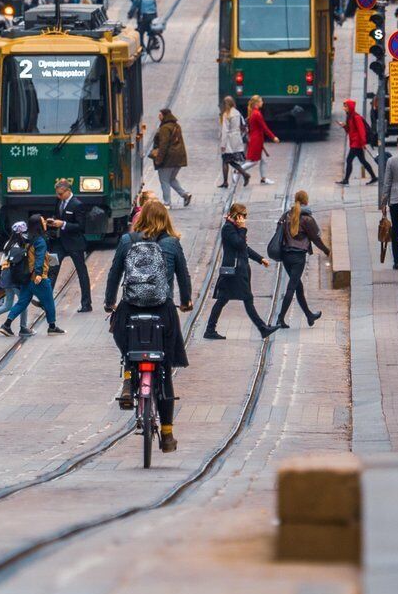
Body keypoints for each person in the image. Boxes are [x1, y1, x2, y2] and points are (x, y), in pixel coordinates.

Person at [103, 200, 192, 453]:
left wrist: (110, 302)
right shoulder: (172, 243)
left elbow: (114, 274)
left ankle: (129, 379)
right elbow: (183, 276)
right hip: (162, 311)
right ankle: (167, 434)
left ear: (140, 219)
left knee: (124, 341)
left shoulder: (127, 241)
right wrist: (186, 301)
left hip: (131, 309)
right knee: (163, 370)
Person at [205, 204, 275, 339]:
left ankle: (210, 330)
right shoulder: (228, 228)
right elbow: (240, 244)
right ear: (237, 215)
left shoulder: (234, 228)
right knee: (247, 298)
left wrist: (260, 259)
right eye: (243, 216)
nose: (244, 219)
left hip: (237, 270)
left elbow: (244, 248)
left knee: (223, 299)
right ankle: (262, 328)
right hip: (235, 271)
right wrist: (243, 228)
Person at [276, 191, 332, 328]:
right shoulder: (307, 219)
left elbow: (278, 232)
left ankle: (309, 315)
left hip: (286, 256)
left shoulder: (286, 215)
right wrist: (326, 250)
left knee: (298, 286)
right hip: (298, 258)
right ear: (306, 201)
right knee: (292, 287)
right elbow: (316, 238)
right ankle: (280, 318)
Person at [0, 215, 58, 337]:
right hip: (38, 278)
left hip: (26, 277)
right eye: (43, 221)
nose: (45, 223)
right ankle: (52, 327)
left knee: (22, 302)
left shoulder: (26, 239)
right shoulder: (40, 241)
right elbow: (39, 258)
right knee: (49, 302)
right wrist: (39, 274)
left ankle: (6, 325)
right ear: (39, 225)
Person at [47, 178, 92, 314]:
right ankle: (46, 300)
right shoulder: (58, 202)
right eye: (57, 194)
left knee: (81, 272)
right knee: (52, 269)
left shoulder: (77, 205)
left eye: (60, 194)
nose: (58, 196)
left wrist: (63, 224)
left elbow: (81, 226)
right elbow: (57, 215)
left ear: (67, 191)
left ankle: (86, 303)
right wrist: (52, 221)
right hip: (59, 243)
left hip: (75, 244)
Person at [149, 108, 192, 208]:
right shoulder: (176, 126)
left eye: (160, 114)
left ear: (164, 116)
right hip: (178, 158)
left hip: (168, 159)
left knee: (164, 180)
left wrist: (159, 159)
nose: (159, 116)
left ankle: (167, 203)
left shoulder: (165, 128)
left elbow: (163, 145)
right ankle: (185, 195)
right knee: (171, 179)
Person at [335, 99, 377, 184]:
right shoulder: (350, 117)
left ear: (350, 107)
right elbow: (349, 130)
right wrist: (344, 126)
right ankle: (373, 177)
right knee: (363, 161)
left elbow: (362, 131)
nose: (344, 108)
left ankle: (346, 180)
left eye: (346, 106)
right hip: (355, 143)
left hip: (357, 143)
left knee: (349, 160)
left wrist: (363, 142)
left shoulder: (356, 117)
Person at [243, 96, 279, 185]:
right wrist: (273, 137)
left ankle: (263, 178)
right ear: (256, 103)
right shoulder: (257, 114)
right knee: (254, 161)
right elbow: (264, 127)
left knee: (263, 160)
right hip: (256, 140)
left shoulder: (254, 112)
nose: (262, 102)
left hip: (257, 139)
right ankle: (238, 170)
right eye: (261, 101)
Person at [218, 96, 250, 188]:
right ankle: (243, 175)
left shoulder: (226, 114)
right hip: (237, 138)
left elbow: (225, 130)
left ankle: (242, 175)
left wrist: (223, 144)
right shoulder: (237, 112)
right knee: (229, 160)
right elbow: (243, 125)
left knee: (226, 160)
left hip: (229, 140)